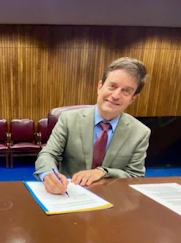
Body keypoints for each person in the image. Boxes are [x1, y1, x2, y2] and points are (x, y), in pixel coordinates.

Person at [34, 57, 151, 195]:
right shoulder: (68, 119)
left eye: (126, 91)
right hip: (70, 194)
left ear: (133, 98)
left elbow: (135, 176)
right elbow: (48, 154)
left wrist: (102, 172)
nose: (115, 95)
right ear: (99, 87)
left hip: (114, 199)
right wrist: (48, 174)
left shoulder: (140, 132)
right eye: (112, 86)